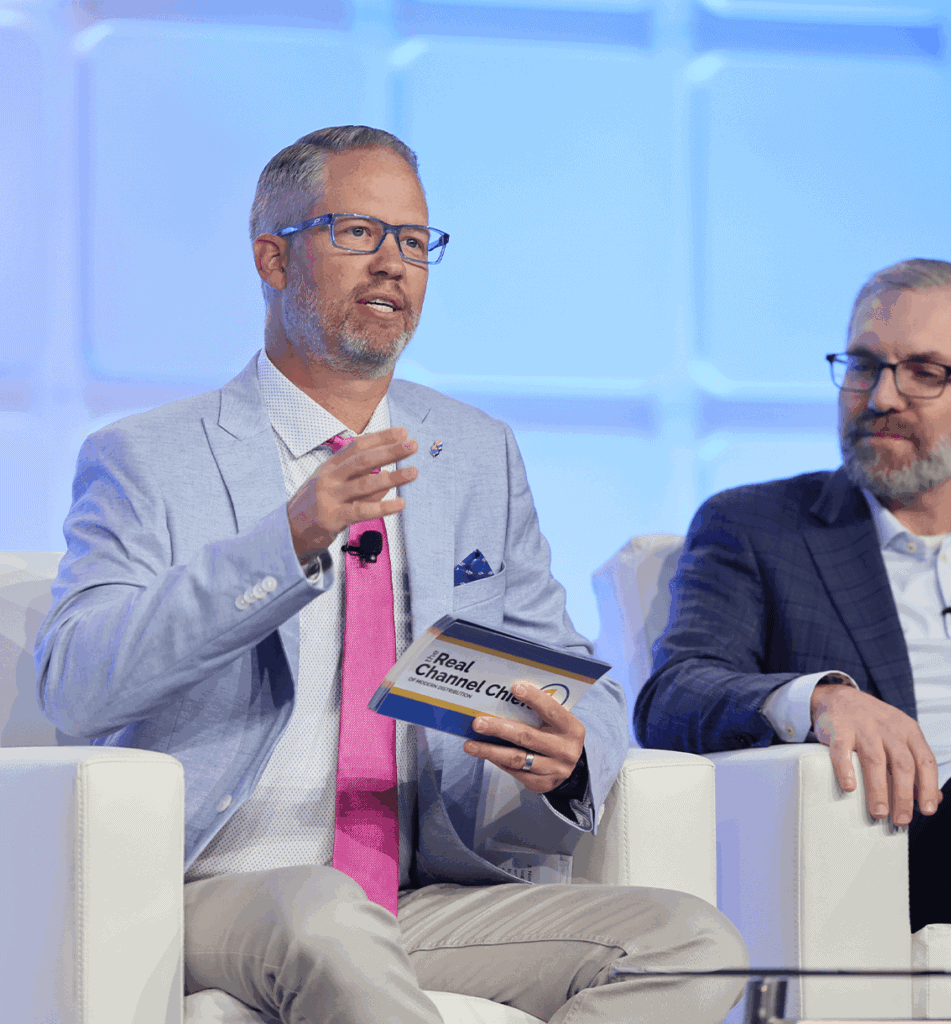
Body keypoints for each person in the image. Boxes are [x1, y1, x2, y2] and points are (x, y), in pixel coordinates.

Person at [35, 126, 747, 1024]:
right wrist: (288, 539)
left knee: (693, 942)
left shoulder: (476, 453)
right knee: (326, 913)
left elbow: (577, 675)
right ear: (272, 257)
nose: (393, 263)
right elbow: (76, 683)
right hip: (219, 887)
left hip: (420, 897)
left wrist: (571, 755)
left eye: (414, 240)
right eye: (358, 232)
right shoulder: (149, 456)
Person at [635, 258, 951, 932]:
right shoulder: (758, 526)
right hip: (921, 853)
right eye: (864, 366)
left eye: (924, 372)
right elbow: (673, 695)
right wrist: (819, 699)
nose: (881, 397)